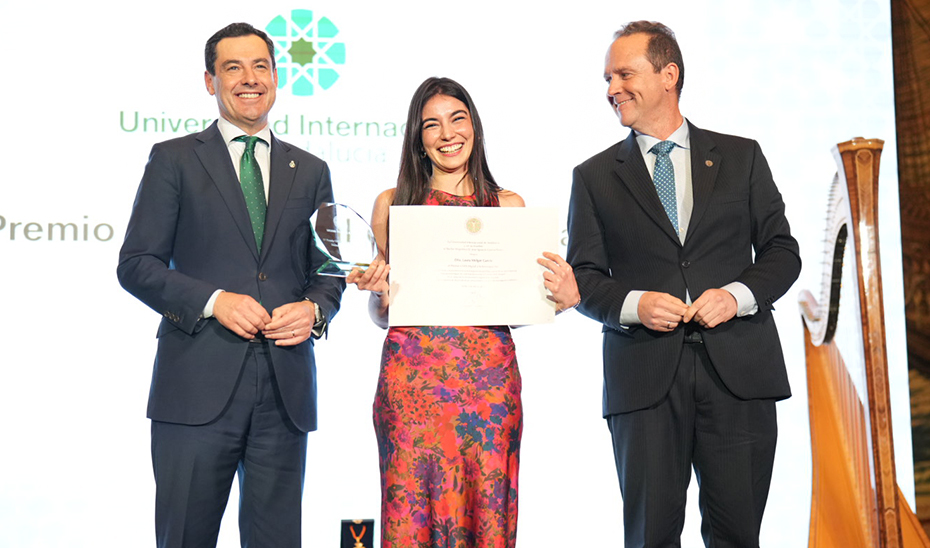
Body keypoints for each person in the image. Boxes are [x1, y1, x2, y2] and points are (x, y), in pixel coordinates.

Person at [566, 21, 801, 548]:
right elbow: (582, 278)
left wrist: (736, 296)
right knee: (650, 538)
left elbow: (783, 253)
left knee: (738, 535)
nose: (610, 89)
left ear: (668, 74)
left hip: (739, 375)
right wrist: (635, 304)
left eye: (624, 73)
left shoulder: (742, 157)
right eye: (607, 78)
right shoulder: (594, 176)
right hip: (644, 379)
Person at [117, 22, 345, 548]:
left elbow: (329, 270)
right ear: (209, 81)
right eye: (232, 68)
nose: (249, 79)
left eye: (260, 66)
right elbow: (136, 263)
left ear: (276, 77)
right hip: (195, 390)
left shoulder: (310, 169)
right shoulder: (174, 159)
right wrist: (214, 301)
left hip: (284, 392)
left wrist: (314, 309)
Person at [347, 77, 580, 548]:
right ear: (418, 138)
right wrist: (378, 294)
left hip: (488, 392)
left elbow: (518, 305)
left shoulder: (508, 205)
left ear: (474, 126)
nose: (447, 133)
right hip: (412, 390)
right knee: (410, 517)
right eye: (431, 124)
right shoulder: (392, 204)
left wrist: (563, 296)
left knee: (486, 514)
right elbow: (384, 311)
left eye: (457, 119)